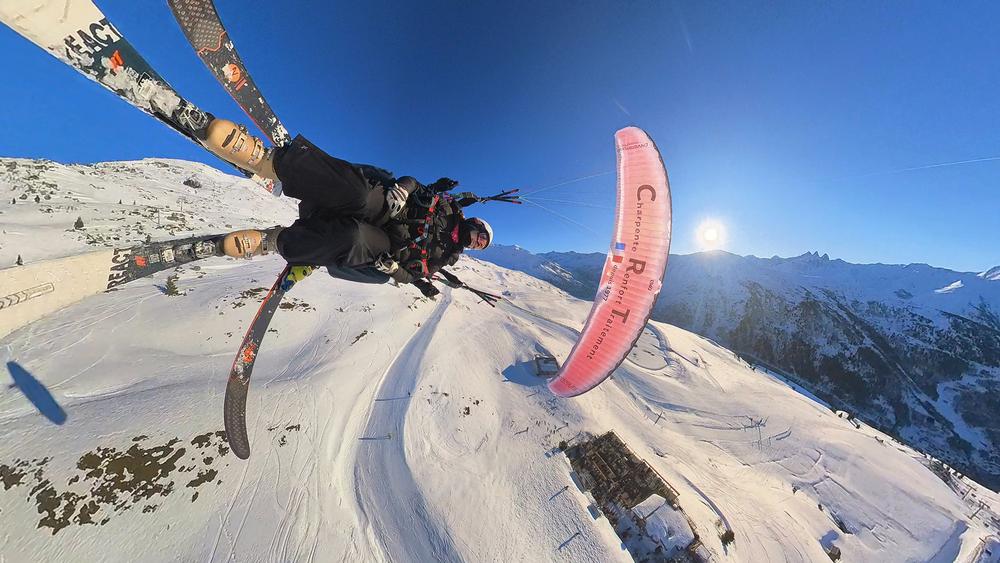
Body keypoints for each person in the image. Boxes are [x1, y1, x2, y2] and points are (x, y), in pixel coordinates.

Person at [196, 118, 494, 298]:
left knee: (353, 240)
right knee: (359, 193)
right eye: (481, 236)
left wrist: (393, 269)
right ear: (476, 224)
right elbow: (417, 184)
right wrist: (403, 188)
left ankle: (275, 241)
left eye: (481, 246)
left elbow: (412, 276)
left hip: (385, 245)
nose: (478, 242)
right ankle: (268, 163)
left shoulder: (445, 259)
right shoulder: (449, 208)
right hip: (390, 209)